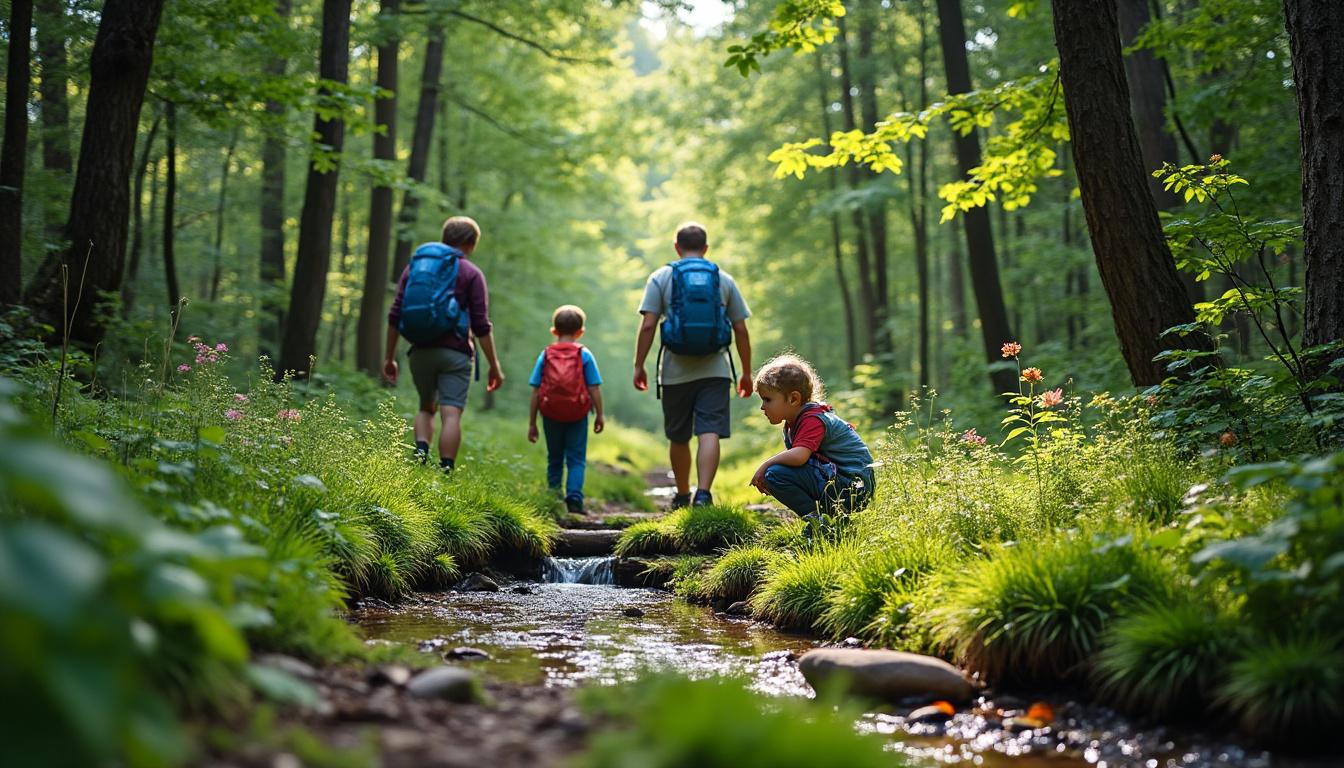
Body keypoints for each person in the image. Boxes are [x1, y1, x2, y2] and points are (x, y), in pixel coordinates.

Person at [634, 222, 752, 508]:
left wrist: (639, 365)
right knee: (709, 430)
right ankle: (704, 494)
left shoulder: (661, 277)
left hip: (674, 372)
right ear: (706, 248)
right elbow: (740, 329)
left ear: (676, 247)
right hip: (716, 370)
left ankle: (683, 493)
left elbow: (649, 325)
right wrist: (747, 372)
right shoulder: (722, 279)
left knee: (679, 435)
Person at [383, 216, 504, 471]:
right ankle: (446, 469)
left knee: (426, 408)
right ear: (471, 244)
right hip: (456, 354)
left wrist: (389, 357)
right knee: (451, 413)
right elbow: (481, 325)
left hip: (420, 351)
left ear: (445, 238)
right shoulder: (471, 273)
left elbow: (395, 315)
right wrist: (494, 365)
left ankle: (420, 456)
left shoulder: (415, 268)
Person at [749, 354, 875, 536]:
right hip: (844, 483)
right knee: (778, 472)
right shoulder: (798, 420)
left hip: (853, 488)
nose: (762, 407)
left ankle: (821, 524)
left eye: (767, 399)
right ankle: (828, 521)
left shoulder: (812, 420)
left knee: (774, 474)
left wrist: (765, 465)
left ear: (793, 399)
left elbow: (799, 457)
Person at [528, 305, 605, 514]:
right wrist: (599, 414)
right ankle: (574, 500)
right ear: (580, 332)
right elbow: (594, 388)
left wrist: (532, 423)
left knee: (554, 458)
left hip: (550, 413)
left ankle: (553, 499)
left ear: (554, 330)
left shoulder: (545, 355)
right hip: (578, 413)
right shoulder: (584, 354)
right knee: (576, 458)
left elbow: (535, 391)